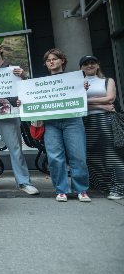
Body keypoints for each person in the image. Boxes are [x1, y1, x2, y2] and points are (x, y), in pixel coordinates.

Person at [0, 41, 39, 195]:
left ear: (1, 49)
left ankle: (24, 182)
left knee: (15, 149)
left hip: (9, 114)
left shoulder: (14, 71)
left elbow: (27, 90)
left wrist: (23, 77)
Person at [42, 49, 91, 202]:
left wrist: (83, 89)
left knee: (78, 156)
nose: (51, 62)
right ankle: (61, 189)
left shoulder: (75, 79)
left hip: (73, 120)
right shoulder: (40, 83)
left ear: (62, 61)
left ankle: (81, 189)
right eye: (48, 60)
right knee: (55, 157)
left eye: (55, 59)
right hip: (51, 122)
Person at [80, 55, 123, 200]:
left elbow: (110, 98)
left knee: (111, 154)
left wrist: (87, 101)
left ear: (98, 65)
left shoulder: (107, 81)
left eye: (92, 63)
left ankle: (118, 187)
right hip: (86, 120)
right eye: (86, 64)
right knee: (92, 156)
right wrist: (99, 105)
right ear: (81, 67)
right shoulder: (79, 82)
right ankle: (102, 186)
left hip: (105, 120)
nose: (89, 65)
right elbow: (76, 101)